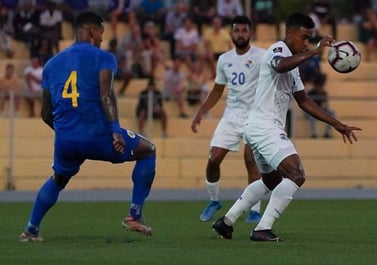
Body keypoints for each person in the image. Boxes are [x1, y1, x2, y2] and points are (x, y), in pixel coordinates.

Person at [211, 12, 361, 241]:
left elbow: (305, 101)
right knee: (296, 174)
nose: (306, 43)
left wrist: (337, 124)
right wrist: (314, 51)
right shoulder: (277, 50)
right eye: (303, 37)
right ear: (290, 33)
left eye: (309, 39)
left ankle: (227, 221)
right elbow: (279, 66)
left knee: (272, 181)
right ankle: (262, 228)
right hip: (264, 127)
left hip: (258, 127)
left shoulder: (294, 65)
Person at [20, 11, 157, 242]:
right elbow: (106, 95)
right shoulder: (103, 57)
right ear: (92, 30)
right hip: (98, 135)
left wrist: (67, 132)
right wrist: (115, 129)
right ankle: (134, 215)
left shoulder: (51, 64)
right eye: (101, 32)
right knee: (148, 150)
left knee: (58, 179)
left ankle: (31, 229)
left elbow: (45, 113)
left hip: (65, 139)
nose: (103, 38)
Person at [191, 16, 265, 223]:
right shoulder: (224, 59)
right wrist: (200, 112)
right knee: (213, 159)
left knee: (251, 160)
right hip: (231, 115)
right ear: (231, 33)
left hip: (254, 115)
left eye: (244, 30)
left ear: (250, 33)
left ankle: (255, 209)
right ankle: (214, 200)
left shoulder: (262, 56)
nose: (240, 34)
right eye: (237, 30)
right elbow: (216, 90)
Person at [305, 74, 335, 138]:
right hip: (310, 111)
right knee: (311, 115)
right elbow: (307, 105)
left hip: (320, 110)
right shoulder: (310, 93)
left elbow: (326, 105)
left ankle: (327, 133)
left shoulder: (323, 93)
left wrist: (324, 109)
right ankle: (313, 134)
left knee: (332, 113)